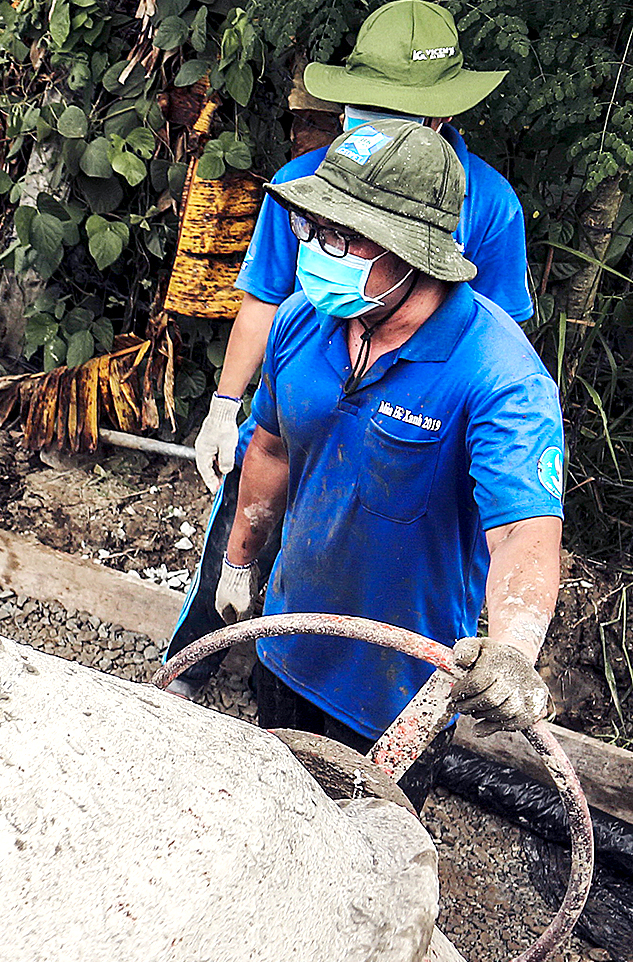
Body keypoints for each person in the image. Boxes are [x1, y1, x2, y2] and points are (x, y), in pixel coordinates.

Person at [168, 0, 533, 696]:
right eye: (364, 107)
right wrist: (223, 405)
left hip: (408, 415)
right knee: (244, 522)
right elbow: (266, 297)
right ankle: (198, 660)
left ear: (438, 116)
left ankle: (363, 700)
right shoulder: (309, 184)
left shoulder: (487, 204)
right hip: (305, 385)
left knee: (381, 563)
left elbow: (500, 336)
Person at [216, 120, 563, 806]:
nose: (315, 252)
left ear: (413, 253)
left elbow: (524, 529)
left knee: (366, 856)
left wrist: (514, 646)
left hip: (401, 690)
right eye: (312, 230)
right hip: (289, 639)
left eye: (340, 238)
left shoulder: (498, 374)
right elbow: (273, 448)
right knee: (285, 817)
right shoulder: (299, 321)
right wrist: (237, 560)